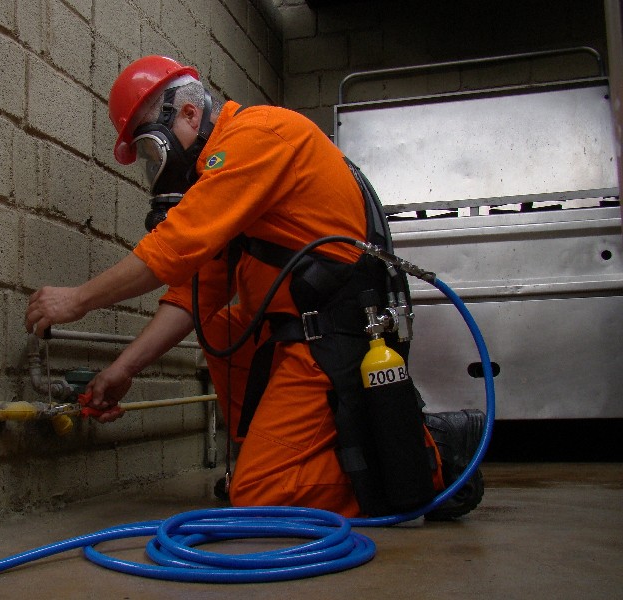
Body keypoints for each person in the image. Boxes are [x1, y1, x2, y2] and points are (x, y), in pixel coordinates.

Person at [25, 55, 484, 519]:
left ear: (188, 114)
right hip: (296, 334)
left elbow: (173, 247)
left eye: (150, 147)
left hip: (333, 336)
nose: (154, 165)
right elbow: (193, 297)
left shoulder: (257, 135)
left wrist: (77, 300)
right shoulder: (230, 175)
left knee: (259, 495)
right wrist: (123, 370)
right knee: (220, 324)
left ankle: (426, 461)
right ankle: (273, 454)